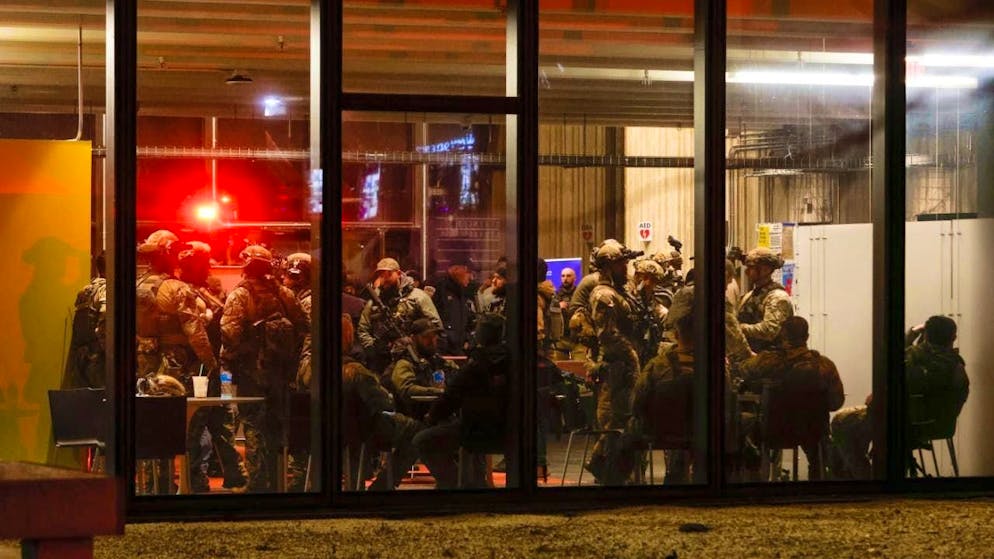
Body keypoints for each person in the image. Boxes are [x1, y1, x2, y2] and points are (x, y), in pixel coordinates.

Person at [220, 245, 308, 492]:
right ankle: (281, 481)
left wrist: (229, 362)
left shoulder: (239, 295)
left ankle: (258, 483)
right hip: (281, 373)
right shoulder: (284, 294)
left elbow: (229, 334)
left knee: (253, 426)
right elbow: (304, 327)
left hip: (251, 372)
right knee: (278, 424)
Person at [135, 230, 218, 494]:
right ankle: (187, 484)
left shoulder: (136, 286)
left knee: (150, 424)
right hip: (175, 366)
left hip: (144, 364)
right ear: (168, 254)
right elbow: (195, 331)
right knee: (185, 425)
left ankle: (152, 484)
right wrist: (211, 362)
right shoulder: (177, 288)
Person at [177, 241, 247, 493]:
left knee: (224, 419)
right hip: (200, 369)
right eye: (201, 263)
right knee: (196, 424)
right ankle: (195, 478)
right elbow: (196, 334)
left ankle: (234, 473)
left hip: (217, 367)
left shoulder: (204, 292)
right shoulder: (185, 292)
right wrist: (211, 362)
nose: (206, 268)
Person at [738, 316, 845, 480]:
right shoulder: (824, 366)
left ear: (782, 337)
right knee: (817, 445)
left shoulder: (768, 362)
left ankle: (752, 481)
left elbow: (743, 369)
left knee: (741, 423)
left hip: (775, 431)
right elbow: (836, 403)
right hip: (813, 433)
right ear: (807, 337)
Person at [415, 313, 511, 489]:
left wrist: (431, 418)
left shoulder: (475, 365)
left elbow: (449, 398)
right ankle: (475, 483)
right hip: (511, 430)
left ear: (480, 335)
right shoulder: (514, 362)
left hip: (474, 431)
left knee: (422, 440)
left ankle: (452, 484)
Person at [340, 314, 422, 491]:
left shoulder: (309, 368)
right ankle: (384, 485)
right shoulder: (356, 371)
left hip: (328, 431)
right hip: (363, 430)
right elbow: (384, 403)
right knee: (416, 430)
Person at [584, 240, 642, 485]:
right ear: (608, 267)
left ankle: (614, 473)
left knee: (625, 420)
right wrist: (631, 354)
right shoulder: (604, 294)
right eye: (621, 263)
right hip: (616, 365)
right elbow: (607, 334)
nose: (625, 267)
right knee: (613, 423)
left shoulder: (619, 291)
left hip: (626, 365)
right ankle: (605, 472)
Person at [632, 310, 697, 484]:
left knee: (628, 430)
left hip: (659, 431)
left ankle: (619, 483)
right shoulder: (713, 364)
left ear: (676, 335)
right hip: (703, 431)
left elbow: (637, 401)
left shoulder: (657, 365)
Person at [358, 257, 442, 373]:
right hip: (384, 360)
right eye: (381, 275)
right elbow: (363, 328)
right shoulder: (375, 301)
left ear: (398, 273)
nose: (384, 278)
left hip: (412, 357)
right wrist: (371, 348)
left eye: (388, 274)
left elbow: (435, 325)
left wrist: (415, 339)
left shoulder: (417, 297)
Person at [385, 318, 458, 419]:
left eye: (434, 336)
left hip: (437, 416)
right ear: (413, 339)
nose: (432, 341)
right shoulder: (404, 363)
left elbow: (458, 374)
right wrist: (439, 392)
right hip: (414, 420)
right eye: (427, 337)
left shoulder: (437, 361)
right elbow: (406, 390)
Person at [737, 247, 793, 353]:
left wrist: (739, 327)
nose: (747, 271)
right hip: (753, 358)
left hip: (771, 361)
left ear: (765, 270)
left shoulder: (777, 297)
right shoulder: (750, 294)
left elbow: (769, 330)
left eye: (751, 267)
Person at [64, 251, 107, 389]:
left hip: (82, 359)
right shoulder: (107, 290)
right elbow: (105, 323)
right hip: (100, 360)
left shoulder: (86, 290)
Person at [432, 264, 477, 355]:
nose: (471, 278)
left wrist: (467, 338)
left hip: (459, 343)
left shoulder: (463, 293)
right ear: (460, 273)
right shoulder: (442, 290)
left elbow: (467, 318)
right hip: (446, 345)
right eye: (468, 273)